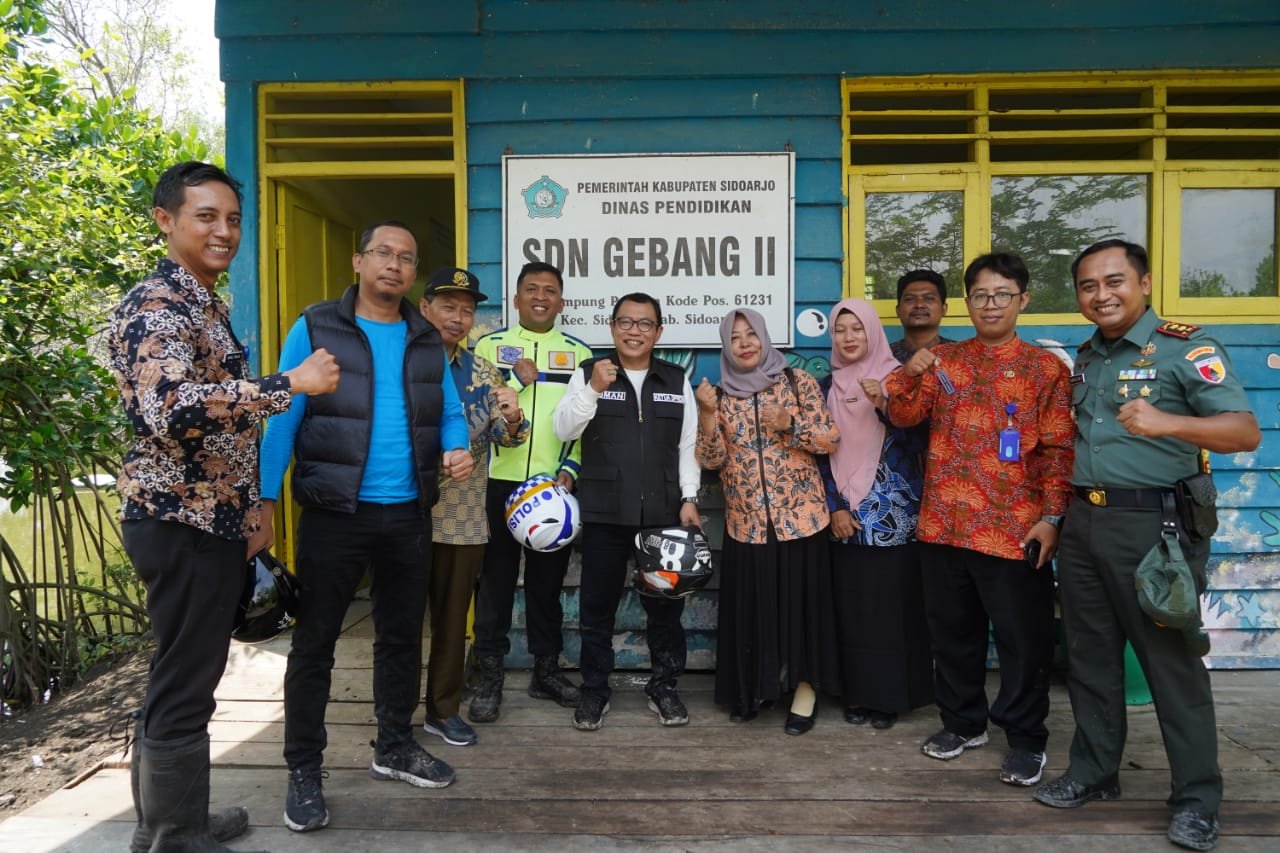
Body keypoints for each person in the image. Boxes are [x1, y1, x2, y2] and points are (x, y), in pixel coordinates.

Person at [108, 161, 339, 851]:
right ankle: (175, 837)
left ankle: (170, 821)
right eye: (206, 215)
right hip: (178, 521)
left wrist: (247, 512)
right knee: (185, 685)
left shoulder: (205, 301)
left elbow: (218, 430)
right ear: (166, 220)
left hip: (210, 519)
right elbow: (170, 408)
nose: (224, 230)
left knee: (182, 675)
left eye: (233, 219)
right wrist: (287, 384)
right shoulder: (157, 306)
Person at [1033, 240, 1261, 852]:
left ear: (1145, 282)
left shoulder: (1189, 348)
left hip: (1156, 531)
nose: (1101, 295)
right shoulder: (1087, 357)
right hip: (1085, 525)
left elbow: (1243, 430)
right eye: (1088, 286)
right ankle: (1093, 772)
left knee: (1172, 667)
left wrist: (1169, 422)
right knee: (1090, 657)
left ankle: (1196, 799)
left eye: (1114, 281)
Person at [258, 220, 473, 833]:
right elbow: (282, 417)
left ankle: (393, 747)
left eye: (407, 258)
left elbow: (451, 411)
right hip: (333, 513)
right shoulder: (317, 326)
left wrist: (456, 448)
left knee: (402, 636)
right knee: (315, 643)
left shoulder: (425, 336)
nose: (395, 266)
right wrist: (265, 503)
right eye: (383, 253)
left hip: (408, 511)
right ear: (358, 261)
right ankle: (303, 768)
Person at [885, 252, 1073, 787]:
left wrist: (1053, 517)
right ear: (966, 303)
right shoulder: (946, 360)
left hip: (1016, 528)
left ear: (1022, 300)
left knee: (1022, 640)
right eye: (981, 295)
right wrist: (910, 373)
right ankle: (964, 723)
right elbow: (902, 416)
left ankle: (1025, 737)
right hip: (943, 523)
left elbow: (1060, 450)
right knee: (953, 636)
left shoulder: (1045, 369)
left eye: (1001, 295)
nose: (990, 305)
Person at [552, 293, 702, 730]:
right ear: (613, 326)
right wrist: (595, 389)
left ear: (659, 331)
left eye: (644, 323)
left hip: (662, 514)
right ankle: (595, 691)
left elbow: (688, 444)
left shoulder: (675, 380)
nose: (634, 330)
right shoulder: (590, 373)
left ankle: (664, 687)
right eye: (625, 322)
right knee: (597, 609)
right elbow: (564, 427)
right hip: (603, 512)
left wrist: (690, 496)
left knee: (665, 607)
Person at [695, 309, 841, 735]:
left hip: (802, 520)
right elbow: (711, 461)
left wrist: (791, 424)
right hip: (748, 523)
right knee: (755, 612)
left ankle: (804, 690)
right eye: (735, 337)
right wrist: (706, 416)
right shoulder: (718, 397)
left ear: (764, 338)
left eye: (751, 335)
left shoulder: (798, 382)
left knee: (802, 612)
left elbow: (830, 439)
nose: (744, 343)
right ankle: (755, 688)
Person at [468, 261, 593, 722]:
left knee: (546, 587)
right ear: (516, 298)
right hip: (497, 483)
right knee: (495, 584)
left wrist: (571, 468)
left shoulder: (579, 353)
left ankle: (545, 671)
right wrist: (514, 380)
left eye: (551, 290)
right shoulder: (488, 345)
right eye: (531, 289)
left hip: (551, 487)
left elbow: (584, 419)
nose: (541, 296)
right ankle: (491, 676)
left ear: (562, 302)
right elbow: (475, 410)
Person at [417, 267, 530, 748]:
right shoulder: (403, 362)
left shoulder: (481, 369)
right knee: (399, 618)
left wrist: (512, 412)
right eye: (448, 306)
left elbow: (510, 438)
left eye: (467, 310)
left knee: (450, 619)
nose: (459, 317)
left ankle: (442, 710)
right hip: (401, 510)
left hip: (462, 517)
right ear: (425, 308)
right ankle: (393, 708)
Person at [817, 298, 933, 731]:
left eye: (857, 329)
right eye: (840, 330)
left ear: (872, 332)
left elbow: (921, 441)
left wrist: (887, 403)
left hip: (895, 516)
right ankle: (857, 695)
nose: (849, 338)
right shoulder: (825, 385)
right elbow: (817, 455)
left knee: (892, 610)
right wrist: (835, 507)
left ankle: (891, 696)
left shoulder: (897, 380)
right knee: (852, 610)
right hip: (845, 516)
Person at [890, 269, 952, 364]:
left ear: (944, 309)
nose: (919, 305)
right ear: (898, 310)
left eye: (929, 298)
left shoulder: (960, 354)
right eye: (909, 299)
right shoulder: (884, 356)